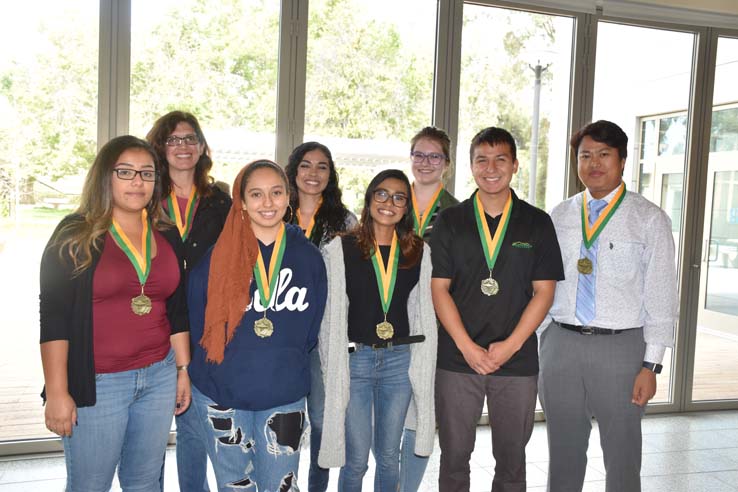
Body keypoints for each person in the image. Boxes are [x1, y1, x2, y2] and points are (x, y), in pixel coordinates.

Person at [39, 135, 191, 491]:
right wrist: (59, 392)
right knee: (91, 484)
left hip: (158, 376)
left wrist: (182, 370)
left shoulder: (167, 234)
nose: (138, 181)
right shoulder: (75, 233)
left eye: (147, 173)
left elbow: (177, 307)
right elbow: (54, 315)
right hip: (99, 383)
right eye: (126, 172)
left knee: (145, 482)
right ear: (105, 176)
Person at [539, 120, 677, 492]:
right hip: (561, 344)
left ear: (622, 160)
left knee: (622, 453)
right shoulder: (560, 215)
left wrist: (651, 364)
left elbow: (662, 297)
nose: (594, 163)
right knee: (563, 450)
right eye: (585, 155)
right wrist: (541, 340)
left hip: (622, 348)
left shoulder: (649, 219)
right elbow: (543, 284)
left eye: (604, 154)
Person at [430, 127, 563, 491]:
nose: (491, 168)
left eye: (500, 159)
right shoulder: (450, 221)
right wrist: (467, 347)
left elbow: (544, 292)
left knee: (511, 460)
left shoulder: (537, 222)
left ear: (515, 165)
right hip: (458, 359)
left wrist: (511, 345)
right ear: (471, 166)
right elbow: (439, 289)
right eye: (481, 160)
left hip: (516, 360)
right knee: (454, 456)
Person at [186, 159, 327, 490]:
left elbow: (311, 329)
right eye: (257, 194)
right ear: (242, 202)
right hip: (222, 392)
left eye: (276, 193)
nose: (267, 203)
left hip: (285, 392)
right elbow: (198, 322)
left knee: (282, 484)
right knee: (235, 484)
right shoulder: (217, 256)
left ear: (288, 197)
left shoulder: (307, 257)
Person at [319, 169, 437, 492]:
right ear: (370, 199)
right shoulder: (340, 249)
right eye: (382, 194)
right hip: (356, 361)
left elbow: (424, 314)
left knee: (388, 456)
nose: (389, 202)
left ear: (406, 207)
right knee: (356, 458)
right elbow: (329, 318)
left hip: (399, 362)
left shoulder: (418, 252)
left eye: (399, 197)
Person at [147, 110, 231, 492]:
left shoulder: (220, 200)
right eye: (173, 139)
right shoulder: (145, 197)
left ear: (201, 146)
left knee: (194, 425)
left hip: (200, 323)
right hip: (151, 321)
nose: (183, 146)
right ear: (160, 147)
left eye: (190, 138)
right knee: (149, 432)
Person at [283, 141, 357, 492]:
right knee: (284, 421)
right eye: (306, 165)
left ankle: (316, 486)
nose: (313, 174)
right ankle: (283, 482)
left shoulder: (346, 221)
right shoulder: (275, 211)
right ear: (293, 171)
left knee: (324, 422)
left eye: (322, 166)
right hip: (281, 334)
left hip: (326, 336)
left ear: (331, 174)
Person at [400, 126, 458, 492]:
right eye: (419, 155)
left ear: (446, 165)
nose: (425, 162)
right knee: (390, 413)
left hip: (435, 326)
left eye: (434, 156)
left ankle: (408, 487)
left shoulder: (459, 212)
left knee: (423, 412)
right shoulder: (390, 200)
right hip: (388, 323)